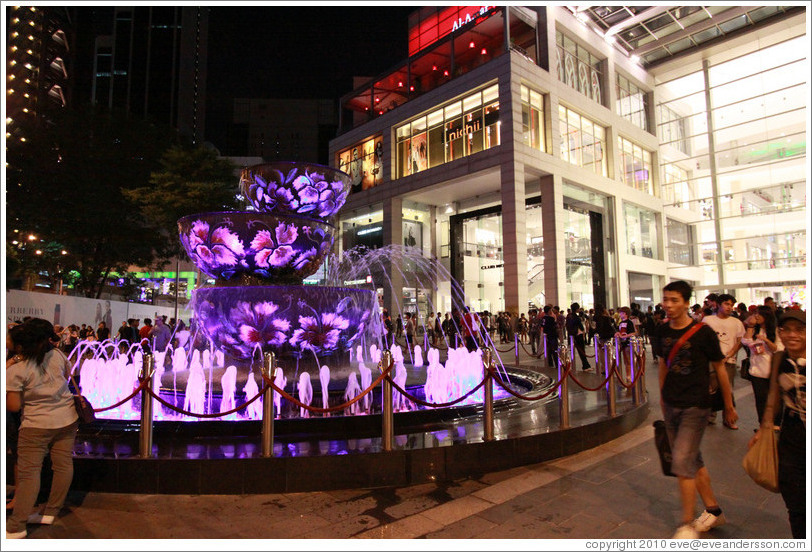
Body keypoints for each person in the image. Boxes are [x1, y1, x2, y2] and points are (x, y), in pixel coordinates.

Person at [655, 280, 736, 539]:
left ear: (687, 303)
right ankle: (714, 510)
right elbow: (663, 365)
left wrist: (729, 405)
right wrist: (662, 396)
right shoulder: (661, 331)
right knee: (692, 459)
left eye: (674, 300)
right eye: (666, 299)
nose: (668, 305)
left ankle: (687, 523)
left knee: (682, 463)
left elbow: (720, 368)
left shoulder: (703, 333)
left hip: (696, 405)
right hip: (671, 404)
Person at [5, 319, 80, 539]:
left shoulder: (17, 369)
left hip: (36, 425)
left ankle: (16, 526)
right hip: (67, 419)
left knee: (29, 474)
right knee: (63, 464)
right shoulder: (57, 355)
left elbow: (14, 406)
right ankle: (50, 512)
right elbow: (66, 377)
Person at [749, 309, 805, 538]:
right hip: (792, 436)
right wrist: (764, 429)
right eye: (786, 330)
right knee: (795, 500)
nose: (792, 335)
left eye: (799, 330)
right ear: (780, 332)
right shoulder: (780, 358)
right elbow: (773, 396)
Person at [702, 293, 745, 429]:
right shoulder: (708, 320)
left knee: (727, 389)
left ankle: (728, 418)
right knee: (711, 388)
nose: (729, 307)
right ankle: (709, 416)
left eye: (731, 305)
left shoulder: (736, 322)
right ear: (718, 305)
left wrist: (730, 354)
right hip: (711, 361)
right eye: (726, 304)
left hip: (729, 360)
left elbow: (740, 341)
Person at [741, 306, 781, 423]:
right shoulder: (755, 330)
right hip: (757, 372)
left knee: (774, 402)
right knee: (760, 402)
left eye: (759, 314)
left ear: (767, 316)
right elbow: (745, 341)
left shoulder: (776, 331)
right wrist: (750, 326)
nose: (756, 316)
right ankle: (762, 427)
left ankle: (774, 427)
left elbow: (778, 349)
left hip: (772, 373)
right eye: (755, 314)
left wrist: (766, 340)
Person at [566, 303, 591, 371]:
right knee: (582, 350)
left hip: (572, 334)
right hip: (578, 334)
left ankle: (586, 365)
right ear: (577, 309)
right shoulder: (576, 317)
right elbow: (581, 327)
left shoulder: (569, 316)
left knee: (579, 350)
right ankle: (585, 366)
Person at [615, 307, 637, 383]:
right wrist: (618, 334)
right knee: (626, 361)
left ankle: (630, 375)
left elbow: (633, 333)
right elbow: (620, 331)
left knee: (629, 360)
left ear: (625, 313)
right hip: (623, 344)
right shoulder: (621, 323)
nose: (620, 314)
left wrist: (624, 336)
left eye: (621, 313)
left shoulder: (629, 322)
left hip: (628, 343)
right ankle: (628, 375)